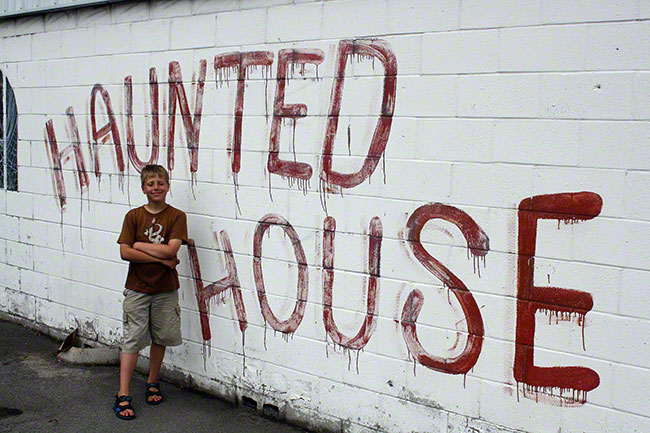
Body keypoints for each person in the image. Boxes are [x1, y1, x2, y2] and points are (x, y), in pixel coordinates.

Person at [113, 164, 188, 420]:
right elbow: (125, 252)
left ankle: (152, 381)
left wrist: (140, 246)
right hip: (137, 289)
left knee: (160, 337)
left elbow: (171, 250)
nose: (156, 188)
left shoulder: (177, 217)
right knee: (132, 340)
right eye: (150, 184)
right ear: (143, 188)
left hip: (166, 290)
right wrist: (161, 259)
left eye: (161, 183)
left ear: (167, 186)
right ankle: (123, 394)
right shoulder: (133, 216)